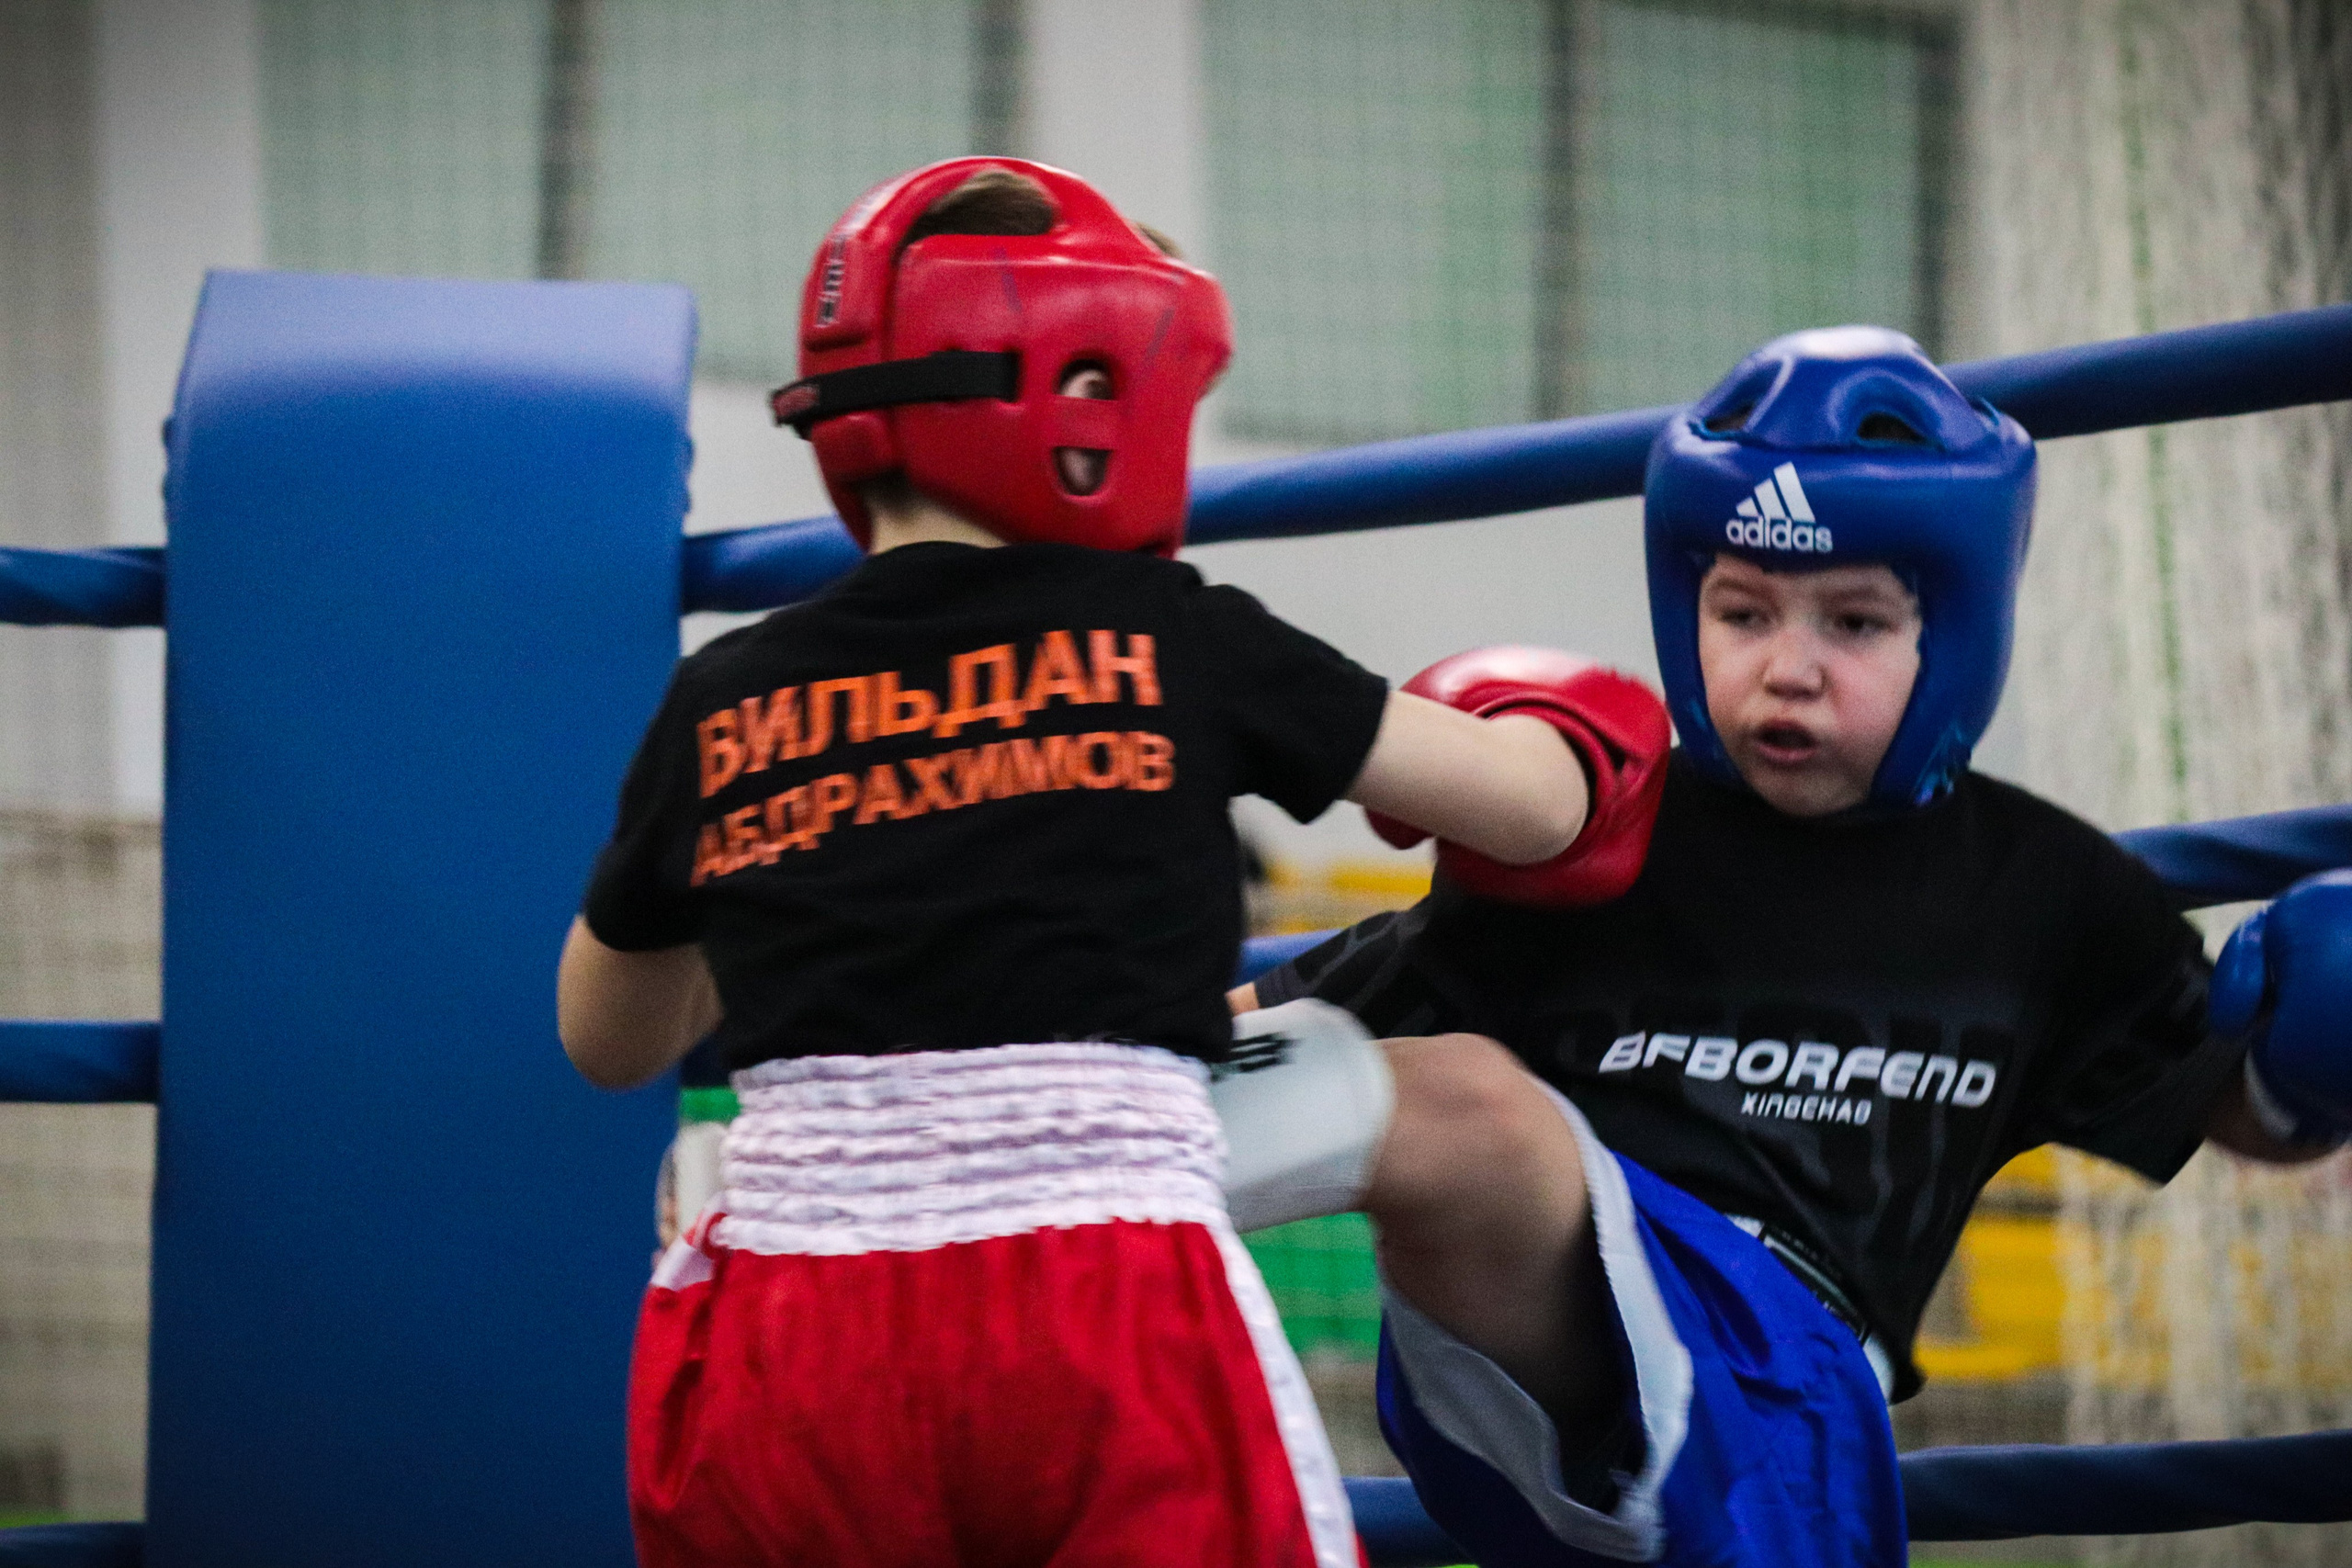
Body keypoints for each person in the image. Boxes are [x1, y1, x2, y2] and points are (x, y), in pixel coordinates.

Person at [555, 157, 1664, 1568]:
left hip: (791, 1316)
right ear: (1089, 391)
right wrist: (1586, 734)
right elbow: (1533, 809)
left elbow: (605, 1040)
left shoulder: (727, 700)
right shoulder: (1171, 631)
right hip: (1097, 1296)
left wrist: (804, 855)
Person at [1227, 326, 2350, 1567]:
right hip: (1530, 1372)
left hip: (1792, 1386)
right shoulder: (1602, 840)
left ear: (1957, 633)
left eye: (1856, 623)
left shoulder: (2046, 896)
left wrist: (2314, 1045)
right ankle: (1033, 1168)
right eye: (1742, 611)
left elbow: (2223, 1103)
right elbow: (1288, 1026)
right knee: (1456, 1104)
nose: (1789, 671)